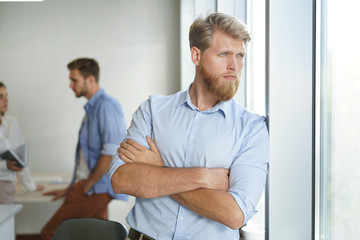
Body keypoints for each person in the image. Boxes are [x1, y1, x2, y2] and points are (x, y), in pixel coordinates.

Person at [109, 13, 269, 240]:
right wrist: (204, 177)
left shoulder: (252, 129)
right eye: (224, 54)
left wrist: (159, 169)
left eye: (240, 55)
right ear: (196, 55)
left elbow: (235, 213)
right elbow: (121, 179)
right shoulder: (153, 111)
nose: (234, 66)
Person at [41, 58, 128, 240]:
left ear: (90, 80)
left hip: (94, 187)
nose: (70, 85)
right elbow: (85, 158)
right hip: (90, 186)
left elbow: (111, 151)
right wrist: (69, 188)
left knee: (51, 233)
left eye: (74, 80)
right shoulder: (92, 109)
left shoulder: (106, 105)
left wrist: (86, 185)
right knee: (96, 236)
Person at [0, 82, 44, 204]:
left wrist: (30, 186)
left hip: (4, 187)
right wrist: (4, 165)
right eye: (0, 97)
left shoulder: (11, 122)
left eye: (6, 95)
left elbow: (20, 159)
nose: (6, 100)